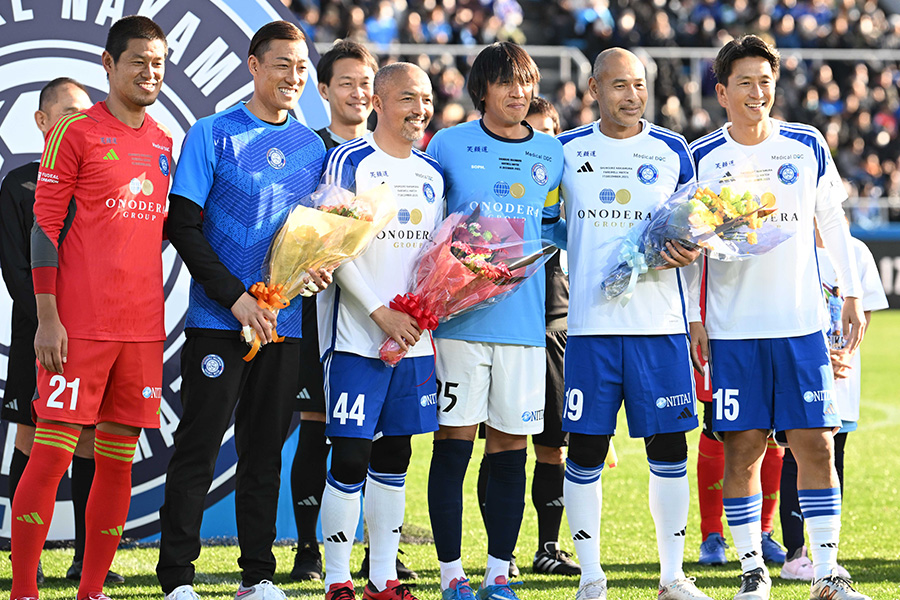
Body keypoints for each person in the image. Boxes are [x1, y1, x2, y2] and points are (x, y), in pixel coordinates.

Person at [688, 34, 870, 600]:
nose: (757, 92)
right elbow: (688, 243)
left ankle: (828, 573)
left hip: (801, 326)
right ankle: (753, 572)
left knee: (817, 443)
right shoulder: (702, 156)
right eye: (744, 82)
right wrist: (694, 318)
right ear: (722, 92)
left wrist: (851, 293)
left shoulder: (806, 144)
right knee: (743, 449)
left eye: (765, 81)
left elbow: (833, 221)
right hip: (734, 331)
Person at [156, 21, 330, 600]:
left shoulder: (313, 147)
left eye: (301, 68)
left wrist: (318, 268)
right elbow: (184, 226)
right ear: (254, 66)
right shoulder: (212, 133)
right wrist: (236, 298)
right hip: (218, 320)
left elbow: (317, 234)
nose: (293, 77)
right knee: (199, 448)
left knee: (263, 454)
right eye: (282, 64)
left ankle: (257, 576)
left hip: (283, 324)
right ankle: (178, 578)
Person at [11, 16, 171, 600]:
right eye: (138, 62)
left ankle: (92, 590)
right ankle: (23, 591)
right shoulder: (74, 131)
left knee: (117, 463)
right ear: (109, 64)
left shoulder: (163, 140)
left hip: (142, 330)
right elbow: (44, 228)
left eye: (158, 63)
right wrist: (48, 318)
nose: (150, 73)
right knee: (51, 457)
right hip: (78, 327)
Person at [557, 48, 711, 600]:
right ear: (594, 89)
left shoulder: (673, 150)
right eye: (619, 85)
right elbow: (548, 225)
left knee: (669, 450)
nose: (632, 95)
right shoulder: (566, 151)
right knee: (585, 452)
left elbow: (698, 230)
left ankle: (672, 576)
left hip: (660, 327)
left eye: (639, 85)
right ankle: (591, 577)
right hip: (590, 330)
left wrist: (690, 260)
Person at [425, 41, 564, 600]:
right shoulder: (449, 144)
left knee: (510, 451)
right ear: (482, 89)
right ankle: (450, 575)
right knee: (453, 447)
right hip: (459, 326)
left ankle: (499, 574)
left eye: (526, 82)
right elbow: (431, 229)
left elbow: (552, 229)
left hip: (524, 330)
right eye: (506, 82)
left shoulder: (552, 152)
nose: (519, 92)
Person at [316, 62, 444, 600]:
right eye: (408, 98)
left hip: (414, 344)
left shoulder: (433, 174)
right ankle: (336, 579)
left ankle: (381, 578)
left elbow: (439, 259)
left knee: (395, 459)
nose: (420, 109)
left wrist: (426, 310)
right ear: (379, 103)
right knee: (350, 458)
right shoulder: (350, 161)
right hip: (355, 339)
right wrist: (378, 312)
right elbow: (330, 247)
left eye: (427, 99)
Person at [1, 77, 126, 587]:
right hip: (42, 334)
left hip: (98, 336)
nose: (80, 121)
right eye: (68, 113)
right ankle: (22, 556)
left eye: (85, 112)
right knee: (32, 436)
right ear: (42, 121)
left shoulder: (100, 178)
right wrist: (52, 320)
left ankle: (86, 561)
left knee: (91, 440)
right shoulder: (20, 184)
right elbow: (17, 267)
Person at [289, 39, 396, 584]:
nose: (357, 92)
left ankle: (383, 553)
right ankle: (310, 550)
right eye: (346, 82)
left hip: (386, 318)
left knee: (385, 435)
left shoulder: (393, 156)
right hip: (319, 314)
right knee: (317, 424)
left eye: (365, 83)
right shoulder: (311, 150)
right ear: (324, 89)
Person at [473, 97, 580, 579]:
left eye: (547, 132)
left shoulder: (567, 188)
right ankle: (503, 552)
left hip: (556, 329)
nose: (538, 142)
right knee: (499, 443)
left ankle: (548, 546)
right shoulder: (503, 191)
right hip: (505, 328)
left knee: (553, 447)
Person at [777, 227, 888, 581]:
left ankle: (827, 553)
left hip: (843, 377)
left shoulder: (856, 251)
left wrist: (847, 353)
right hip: (802, 371)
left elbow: (864, 312)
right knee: (795, 458)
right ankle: (795, 555)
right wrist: (819, 356)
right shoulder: (791, 247)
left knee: (833, 460)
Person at [694, 263, 786, 567]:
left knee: (772, 429)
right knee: (717, 426)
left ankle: (763, 531)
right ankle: (711, 533)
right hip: (721, 324)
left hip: (773, 324)